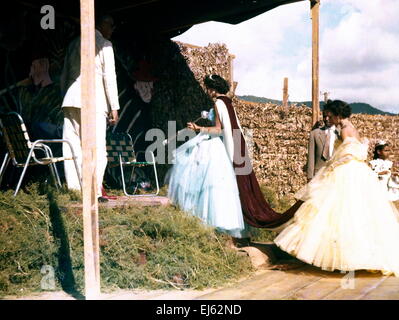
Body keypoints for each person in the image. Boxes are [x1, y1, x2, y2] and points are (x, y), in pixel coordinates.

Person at [168, 75, 302, 244]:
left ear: (213, 89)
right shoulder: (228, 102)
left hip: (224, 146)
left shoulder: (218, 102)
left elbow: (218, 130)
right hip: (237, 145)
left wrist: (198, 128)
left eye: (208, 88)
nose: (207, 91)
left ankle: (218, 231)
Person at [274, 100, 399, 276]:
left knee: (340, 211)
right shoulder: (350, 128)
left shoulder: (346, 130)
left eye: (330, 115)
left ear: (338, 115)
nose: (328, 118)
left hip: (348, 173)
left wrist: (332, 166)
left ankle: (347, 258)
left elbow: (348, 154)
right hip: (357, 172)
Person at [60, 13, 120, 202]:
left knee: (72, 146)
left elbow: (64, 76)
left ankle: (76, 191)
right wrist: (114, 107)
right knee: (97, 149)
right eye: (110, 25)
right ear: (102, 24)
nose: (112, 30)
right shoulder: (104, 45)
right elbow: (109, 77)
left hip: (70, 100)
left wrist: (64, 98)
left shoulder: (74, 43)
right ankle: (94, 192)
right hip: (93, 100)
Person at [306, 107, 338, 181]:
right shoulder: (315, 133)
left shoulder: (340, 134)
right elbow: (311, 156)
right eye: (324, 116)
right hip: (318, 175)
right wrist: (310, 176)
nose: (326, 119)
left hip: (336, 174)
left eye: (329, 117)